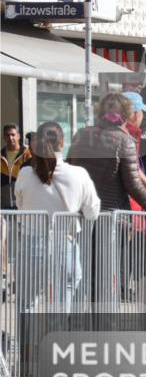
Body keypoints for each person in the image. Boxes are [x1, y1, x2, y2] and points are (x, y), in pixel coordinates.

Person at [14, 122, 100, 305]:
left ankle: (29, 326)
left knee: (26, 303)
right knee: (63, 303)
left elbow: (20, 204)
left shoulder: (25, 173)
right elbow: (92, 211)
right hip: (64, 244)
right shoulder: (79, 174)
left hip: (31, 243)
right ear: (61, 143)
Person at [68, 93, 146, 216]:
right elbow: (134, 186)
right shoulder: (125, 141)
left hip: (80, 213)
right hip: (112, 216)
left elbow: (70, 168)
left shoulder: (81, 134)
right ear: (127, 115)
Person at [1, 124, 31, 210]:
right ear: (4, 137)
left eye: (13, 135)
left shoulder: (27, 154)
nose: (10, 138)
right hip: (3, 205)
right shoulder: (1, 155)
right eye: (7, 135)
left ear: (18, 136)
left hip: (22, 204)